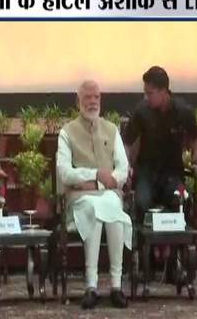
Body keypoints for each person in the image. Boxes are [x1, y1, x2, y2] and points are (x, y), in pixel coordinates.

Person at [56, 80, 132, 309]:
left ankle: (116, 286)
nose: (92, 102)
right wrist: (96, 174)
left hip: (106, 194)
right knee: (94, 209)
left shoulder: (111, 129)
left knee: (111, 206)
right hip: (79, 200)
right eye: (88, 97)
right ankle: (91, 286)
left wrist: (96, 184)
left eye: (96, 97)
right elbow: (64, 173)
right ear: (78, 100)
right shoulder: (67, 132)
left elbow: (122, 169)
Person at [124, 66, 197, 222]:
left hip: (173, 174)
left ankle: (174, 244)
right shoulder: (141, 111)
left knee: (182, 198)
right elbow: (127, 142)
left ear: (164, 91)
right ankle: (143, 244)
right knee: (141, 203)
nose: (146, 97)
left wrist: (196, 160)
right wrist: (126, 167)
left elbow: (196, 137)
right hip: (146, 173)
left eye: (150, 93)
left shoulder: (183, 111)